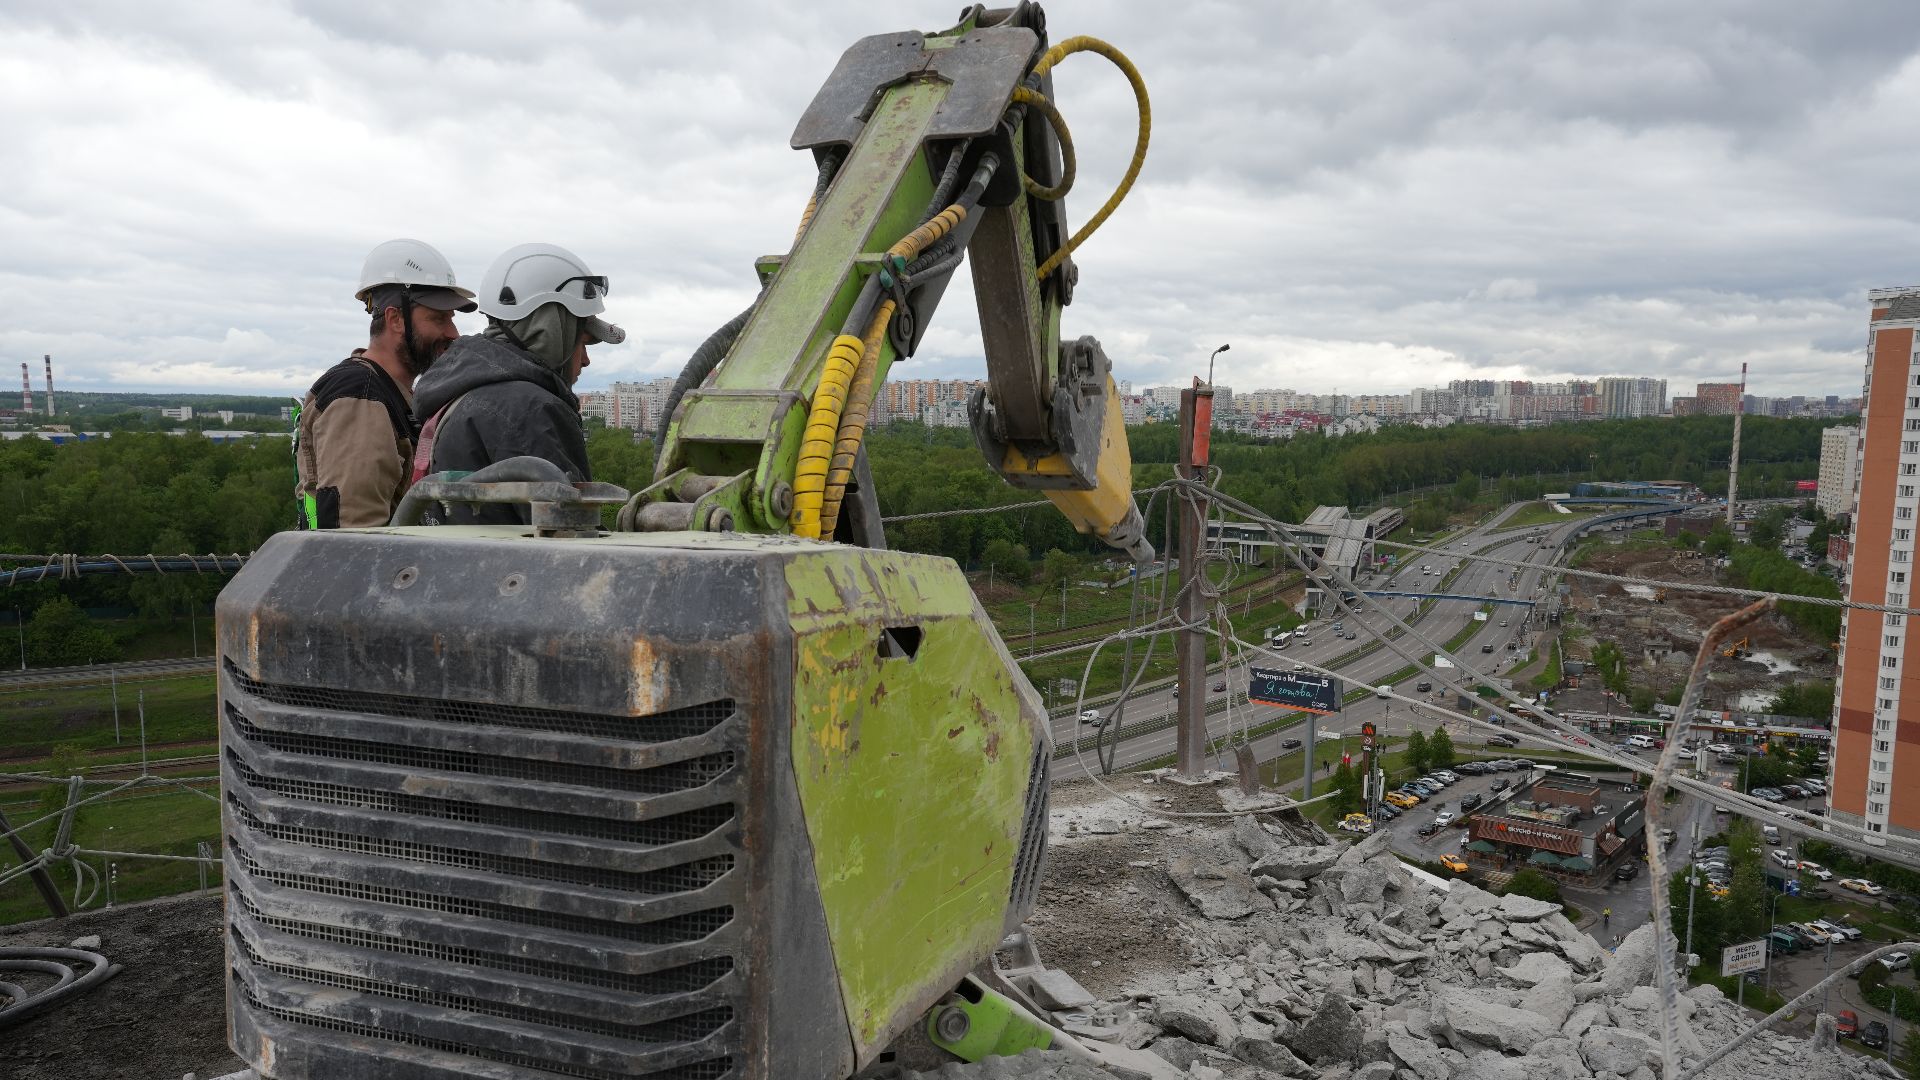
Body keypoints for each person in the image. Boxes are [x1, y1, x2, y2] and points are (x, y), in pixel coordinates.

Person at [410, 243, 624, 524]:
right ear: (551, 331)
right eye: (581, 341)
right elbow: (569, 533)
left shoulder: (464, 389)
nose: (585, 360)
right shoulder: (528, 409)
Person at [293, 239, 476, 528]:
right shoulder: (360, 397)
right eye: (439, 319)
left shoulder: (388, 393)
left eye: (451, 319)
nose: (454, 333)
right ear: (396, 319)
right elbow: (356, 536)